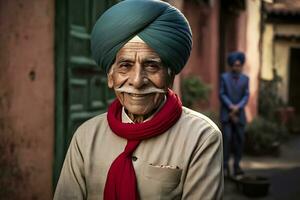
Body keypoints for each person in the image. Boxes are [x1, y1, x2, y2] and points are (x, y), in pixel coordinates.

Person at [54, 0, 223, 199]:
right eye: (125, 65)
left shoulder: (201, 137)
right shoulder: (86, 137)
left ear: (171, 76)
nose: (137, 81)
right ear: (111, 77)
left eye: (152, 66)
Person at [219, 51, 249, 177]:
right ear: (231, 65)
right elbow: (221, 93)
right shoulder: (224, 77)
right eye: (234, 65)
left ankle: (237, 165)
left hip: (239, 115)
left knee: (240, 141)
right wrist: (231, 106)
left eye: (239, 65)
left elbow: (246, 95)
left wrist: (238, 107)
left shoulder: (245, 79)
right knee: (227, 140)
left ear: (241, 65)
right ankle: (225, 167)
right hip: (227, 114)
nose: (236, 67)